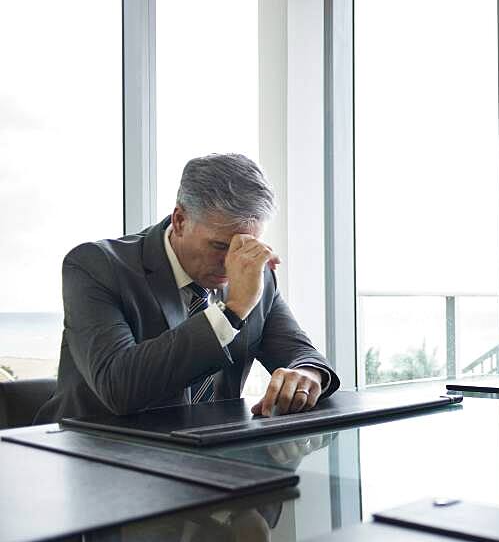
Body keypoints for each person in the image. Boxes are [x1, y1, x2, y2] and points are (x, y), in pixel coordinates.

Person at [35, 153, 338, 422]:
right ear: (180, 220)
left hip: (206, 456)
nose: (231, 263)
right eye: (220, 246)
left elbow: (302, 355)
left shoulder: (254, 274)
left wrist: (307, 375)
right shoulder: (96, 266)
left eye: (246, 245)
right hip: (93, 454)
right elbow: (118, 388)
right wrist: (231, 313)